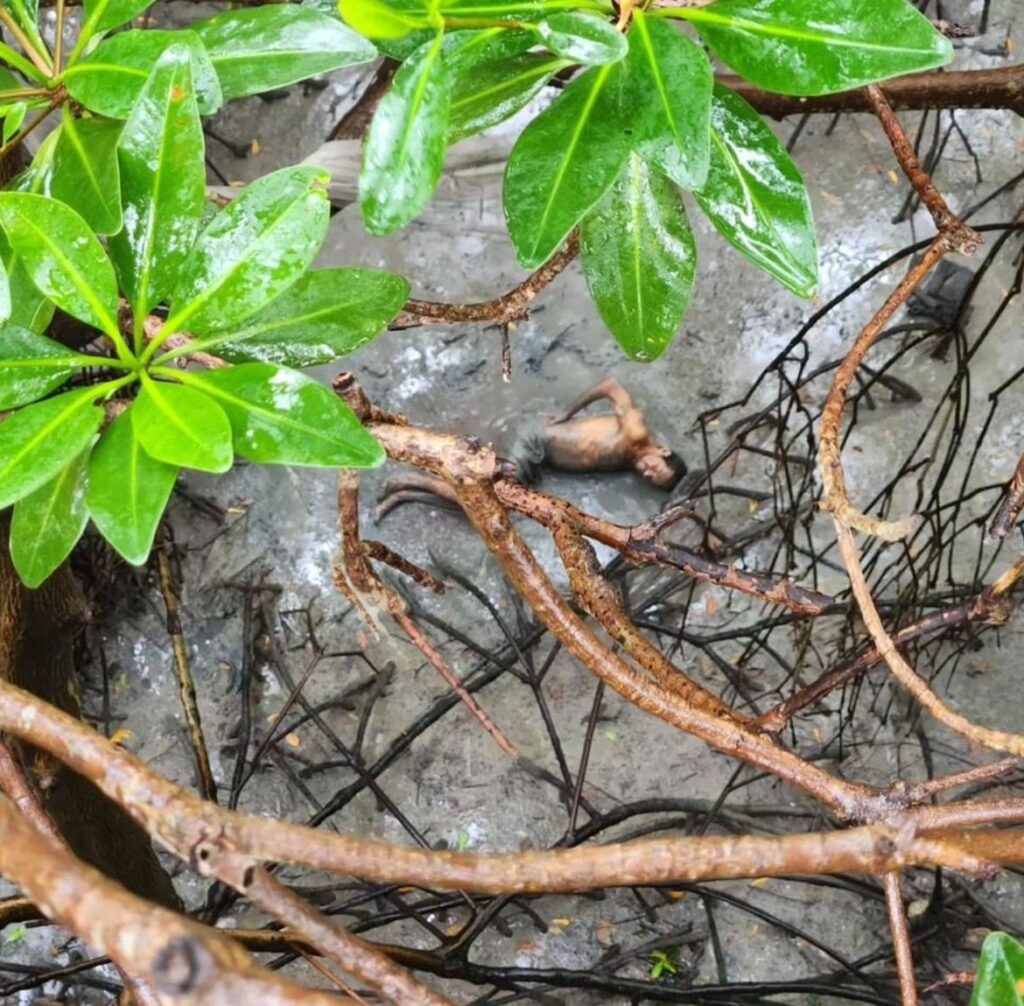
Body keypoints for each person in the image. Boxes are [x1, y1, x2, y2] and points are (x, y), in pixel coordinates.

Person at [376, 378, 686, 520]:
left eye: (649, 479)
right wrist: (567, 413)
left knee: (493, 506)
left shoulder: (631, 460)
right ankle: (409, 482)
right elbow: (611, 386)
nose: (646, 471)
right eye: (654, 468)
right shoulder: (636, 432)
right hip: (533, 440)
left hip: (539, 459)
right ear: (664, 451)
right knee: (490, 499)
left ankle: (407, 494)